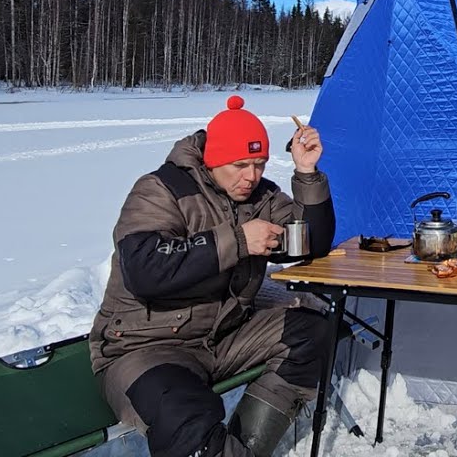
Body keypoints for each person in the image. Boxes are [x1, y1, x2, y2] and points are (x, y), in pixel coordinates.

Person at [89, 95, 336, 457]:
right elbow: (143, 270)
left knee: (314, 332)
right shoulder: (161, 190)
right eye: (240, 165)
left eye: (259, 164)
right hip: (146, 348)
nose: (251, 177)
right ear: (213, 159)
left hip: (222, 339)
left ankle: (245, 449)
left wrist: (307, 173)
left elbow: (309, 243)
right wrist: (237, 241)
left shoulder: (261, 196)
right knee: (187, 418)